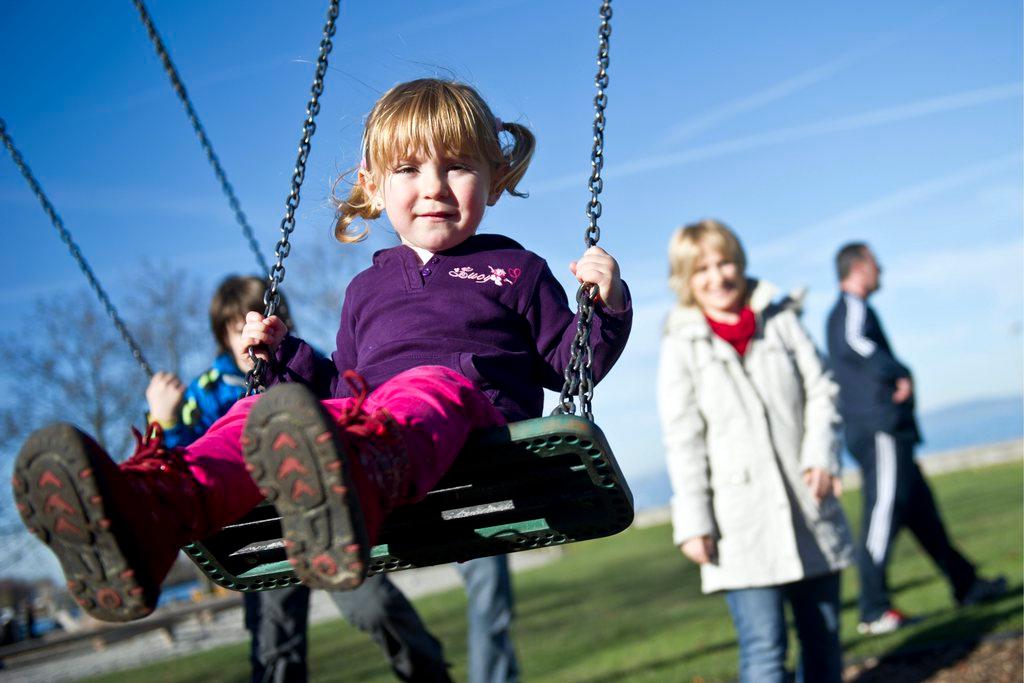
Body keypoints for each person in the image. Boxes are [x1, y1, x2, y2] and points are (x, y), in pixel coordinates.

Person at [12, 78, 631, 658]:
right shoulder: (366, 289)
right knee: (253, 412)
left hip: (472, 418)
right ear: (373, 184)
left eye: (458, 165)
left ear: (495, 180)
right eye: (409, 169)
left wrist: (606, 306)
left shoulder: (515, 270)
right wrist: (285, 358)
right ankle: (150, 510)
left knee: (425, 385)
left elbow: (568, 365)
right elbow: (343, 388)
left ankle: (349, 489)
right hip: (378, 420)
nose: (435, 185)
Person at [145, 274, 451, 682]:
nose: (249, 336)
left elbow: (348, 414)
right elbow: (188, 458)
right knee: (276, 642)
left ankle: (430, 673)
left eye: (259, 322)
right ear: (223, 336)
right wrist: (163, 417)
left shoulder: (307, 367)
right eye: (239, 330)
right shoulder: (207, 390)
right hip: (261, 534)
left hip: (327, 516)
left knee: (375, 607)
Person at [657, 219, 852, 683]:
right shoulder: (680, 345)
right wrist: (694, 523)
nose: (717, 276)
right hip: (738, 521)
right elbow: (682, 439)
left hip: (808, 502)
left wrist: (821, 455)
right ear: (685, 279)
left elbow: (823, 390)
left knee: (823, 638)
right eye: (701, 268)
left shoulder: (781, 318)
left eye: (724, 262)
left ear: (740, 264)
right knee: (764, 650)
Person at [826, 242, 1006, 635]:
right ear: (859, 268)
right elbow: (857, 343)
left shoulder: (856, 308)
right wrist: (897, 371)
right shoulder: (850, 309)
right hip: (881, 431)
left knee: (924, 516)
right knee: (883, 514)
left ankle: (967, 585)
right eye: (876, 264)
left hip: (892, 433)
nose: (882, 270)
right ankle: (873, 610)